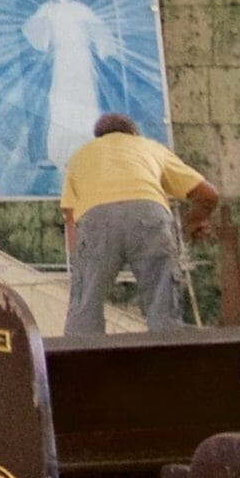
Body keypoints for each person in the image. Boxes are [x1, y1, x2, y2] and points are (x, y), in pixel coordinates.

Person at [58, 111, 217, 335]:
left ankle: (82, 357)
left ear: (97, 137)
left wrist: (81, 264)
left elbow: (70, 217)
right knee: (163, 305)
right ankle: (169, 355)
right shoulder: (149, 147)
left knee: (85, 305)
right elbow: (208, 194)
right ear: (133, 133)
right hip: (149, 215)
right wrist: (194, 222)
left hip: (96, 220)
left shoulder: (81, 156)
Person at [20, 0, 112, 168]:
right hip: (63, 60)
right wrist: (46, 33)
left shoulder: (81, 10)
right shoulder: (48, 10)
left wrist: (101, 47)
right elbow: (32, 28)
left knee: (85, 99)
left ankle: (89, 150)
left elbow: (101, 30)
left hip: (82, 59)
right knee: (61, 100)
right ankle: (61, 152)